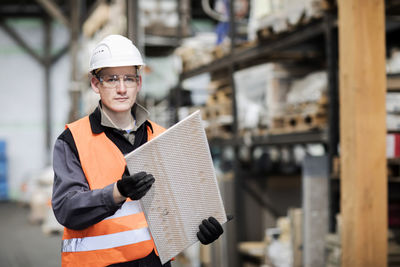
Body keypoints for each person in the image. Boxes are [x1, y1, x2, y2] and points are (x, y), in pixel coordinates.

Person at [52, 34, 224, 267]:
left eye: (129, 79)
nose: (122, 88)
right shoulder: (73, 140)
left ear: (139, 83)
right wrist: (117, 191)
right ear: (95, 84)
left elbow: (175, 208)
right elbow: (66, 209)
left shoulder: (162, 136)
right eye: (112, 79)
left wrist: (200, 229)